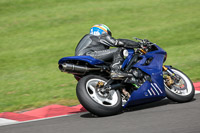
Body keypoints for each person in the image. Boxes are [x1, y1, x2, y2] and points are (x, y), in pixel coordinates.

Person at [75, 24, 140, 79]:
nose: (108, 36)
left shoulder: (88, 39)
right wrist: (138, 44)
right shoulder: (99, 36)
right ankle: (116, 71)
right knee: (119, 50)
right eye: (109, 34)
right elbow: (117, 42)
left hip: (82, 61)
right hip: (89, 55)